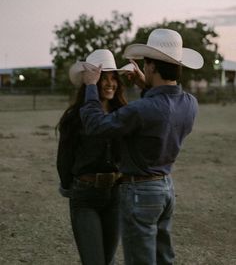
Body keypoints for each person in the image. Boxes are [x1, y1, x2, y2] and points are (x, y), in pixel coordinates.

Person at [80, 29, 204, 265]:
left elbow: (96, 126)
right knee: (163, 258)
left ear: (151, 67)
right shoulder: (190, 103)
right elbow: (162, 108)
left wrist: (90, 87)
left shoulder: (143, 109)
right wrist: (147, 86)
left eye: (146, 64)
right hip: (166, 188)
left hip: (141, 191)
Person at [56, 49, 128, 265]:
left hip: (115, 195)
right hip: (85, 197)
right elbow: (64, 158)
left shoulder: (124, 114)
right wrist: (70, 186)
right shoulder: (74, 117)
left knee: (108, 260)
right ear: (91, 82)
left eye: (113, 78)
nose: (109, 84)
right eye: (102, 78)